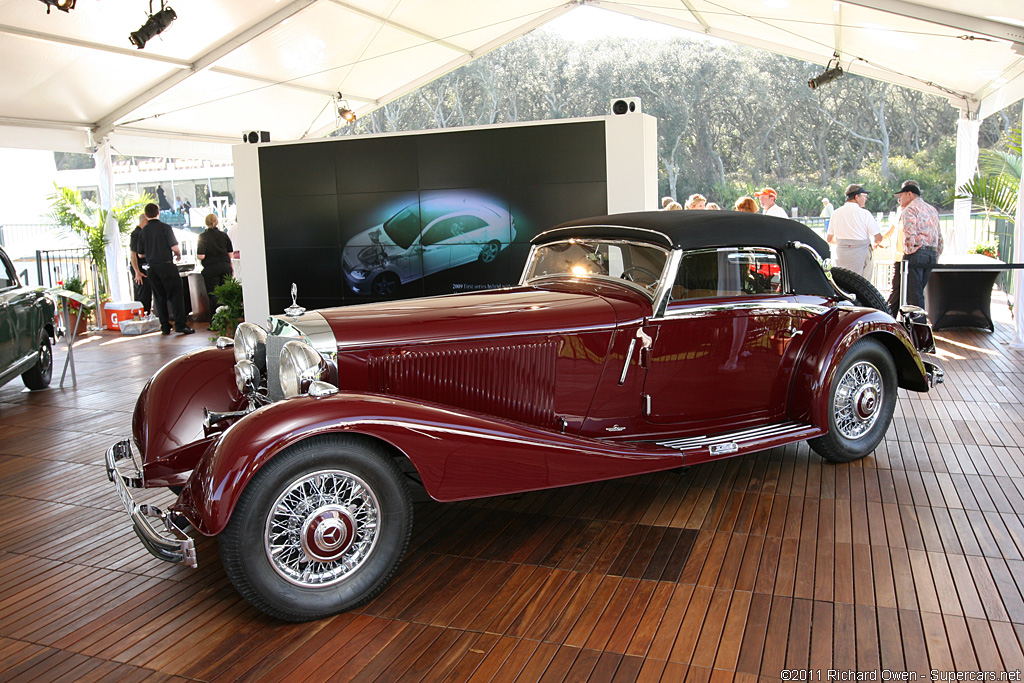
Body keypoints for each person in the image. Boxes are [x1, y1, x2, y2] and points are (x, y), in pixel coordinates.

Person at [138, 203, 194, 335]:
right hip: (166, 265)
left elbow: (140, 254)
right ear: (159, 213)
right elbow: (174, 247)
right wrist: (178, 254)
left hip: (152, 267)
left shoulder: (143, 231)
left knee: (159, 296)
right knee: (176, 295)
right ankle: (180, 325)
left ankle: (164, 326)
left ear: (146, 215)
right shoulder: (165, 228)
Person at [893, 179, 943, 309]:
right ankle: (919, 324)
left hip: (917, 254)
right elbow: (940, 237)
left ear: (909, 194)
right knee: (919, 292)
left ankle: (917, 327)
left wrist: (908, 253)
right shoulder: (932, 209)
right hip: (931, 253)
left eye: (901, 195)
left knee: (913, 296)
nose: (900, 199)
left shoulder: (910, 209)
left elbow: (910, 235)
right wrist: (936, 254)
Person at [825, 184, 883, 279]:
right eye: (864, 196)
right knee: (862, 285)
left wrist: (844, 244)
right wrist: (875, 244)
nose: (866, 199)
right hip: (861, 256)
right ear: (857, 197)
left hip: (841, 255)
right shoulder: (864, 214)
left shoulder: (836, 213)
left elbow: (829, 239)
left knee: (842, 285)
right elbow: (878, 238)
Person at [197, 213, 234, 315]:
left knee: (214, 295)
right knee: (226, 294)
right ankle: (229, 318)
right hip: (225, 267)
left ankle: (216, 321)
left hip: (211, 268)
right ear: (217, 222)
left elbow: (201, 256)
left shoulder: (202, 236)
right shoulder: (223, 235)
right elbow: (230, 254)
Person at [129, 213, 152, 316]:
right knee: (142, 294)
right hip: (139, 268)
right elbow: (133, 254)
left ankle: (144, 314)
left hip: (143, 267)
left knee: (146, 293)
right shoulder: (136, 234)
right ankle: (142, 316)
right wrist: (137, 271)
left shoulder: (142, 233)